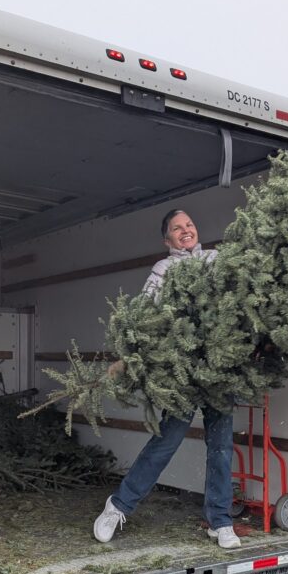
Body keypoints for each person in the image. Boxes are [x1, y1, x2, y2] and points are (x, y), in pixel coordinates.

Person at [93, 208, 241, 549]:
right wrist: (127, 356)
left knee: (220, 448)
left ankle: (220, 521)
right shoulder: (164, 270)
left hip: (217, 372)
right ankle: (118, 506)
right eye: (177, 228)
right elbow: (143, 314)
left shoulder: (215, 260)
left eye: (189, 224)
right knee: (167, 441)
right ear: (167, 239)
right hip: (181, 375)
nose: (185, 230)